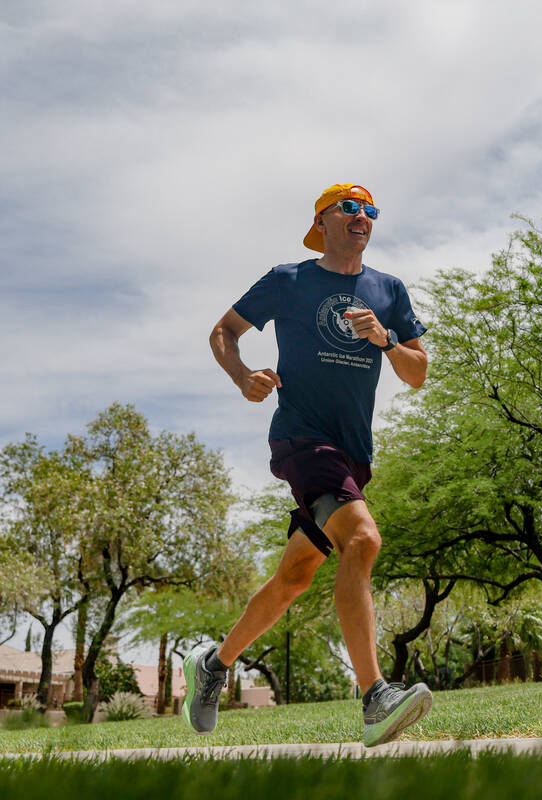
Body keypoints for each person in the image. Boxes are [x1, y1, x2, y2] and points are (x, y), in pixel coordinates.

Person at [186, 183, 432, 747]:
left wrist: (386, 339)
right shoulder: (289, 280)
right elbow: (222, 330)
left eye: (370, 210)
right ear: (321, 221)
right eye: (349, 207)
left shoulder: (388, 290)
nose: (362, 216)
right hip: (301, 438)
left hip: (354, 453)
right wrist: (242, 375)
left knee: (295, 576)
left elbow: (417, 372)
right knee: (363, 541)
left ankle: (214, 665)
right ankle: (375, 700)